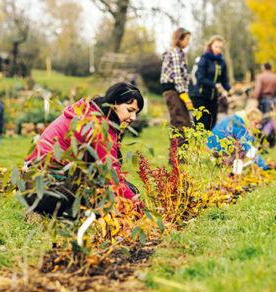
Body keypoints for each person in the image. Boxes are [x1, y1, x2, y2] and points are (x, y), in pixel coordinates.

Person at [24, 82, 144, 216]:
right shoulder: (98, 126)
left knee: (130, 191)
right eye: (130, 110)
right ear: (114, 103)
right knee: (105, 204)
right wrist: (142, 213)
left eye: (136, 113)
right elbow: (111, 176)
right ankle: (60, 214)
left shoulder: (90, 111)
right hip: (46, 189)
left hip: (34, 183)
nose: (133, 117)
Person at [190, 35, 232, 130]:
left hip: (213, 98)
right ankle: (198, 145)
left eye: (220, 47)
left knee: (211, 126)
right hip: (200, 96)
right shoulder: (204, 59)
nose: (218, 49)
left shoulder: (222, 62)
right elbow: (200, 78)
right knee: (200, 125)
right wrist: (215, 85)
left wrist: (230, 89)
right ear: (210, 46)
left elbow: (224, 80)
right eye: (216, 46)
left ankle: (207, 145)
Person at [160, 27, 193, 147]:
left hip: (173, 91)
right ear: (179, 39)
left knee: (176, 123)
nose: (188, 43)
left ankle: (174, 158)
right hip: (174, 91)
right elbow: (178, 75)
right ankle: (180, 158)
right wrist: (184, 94)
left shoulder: (177, 52)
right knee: (182, 123)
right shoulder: (175, 53)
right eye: (187, 39)